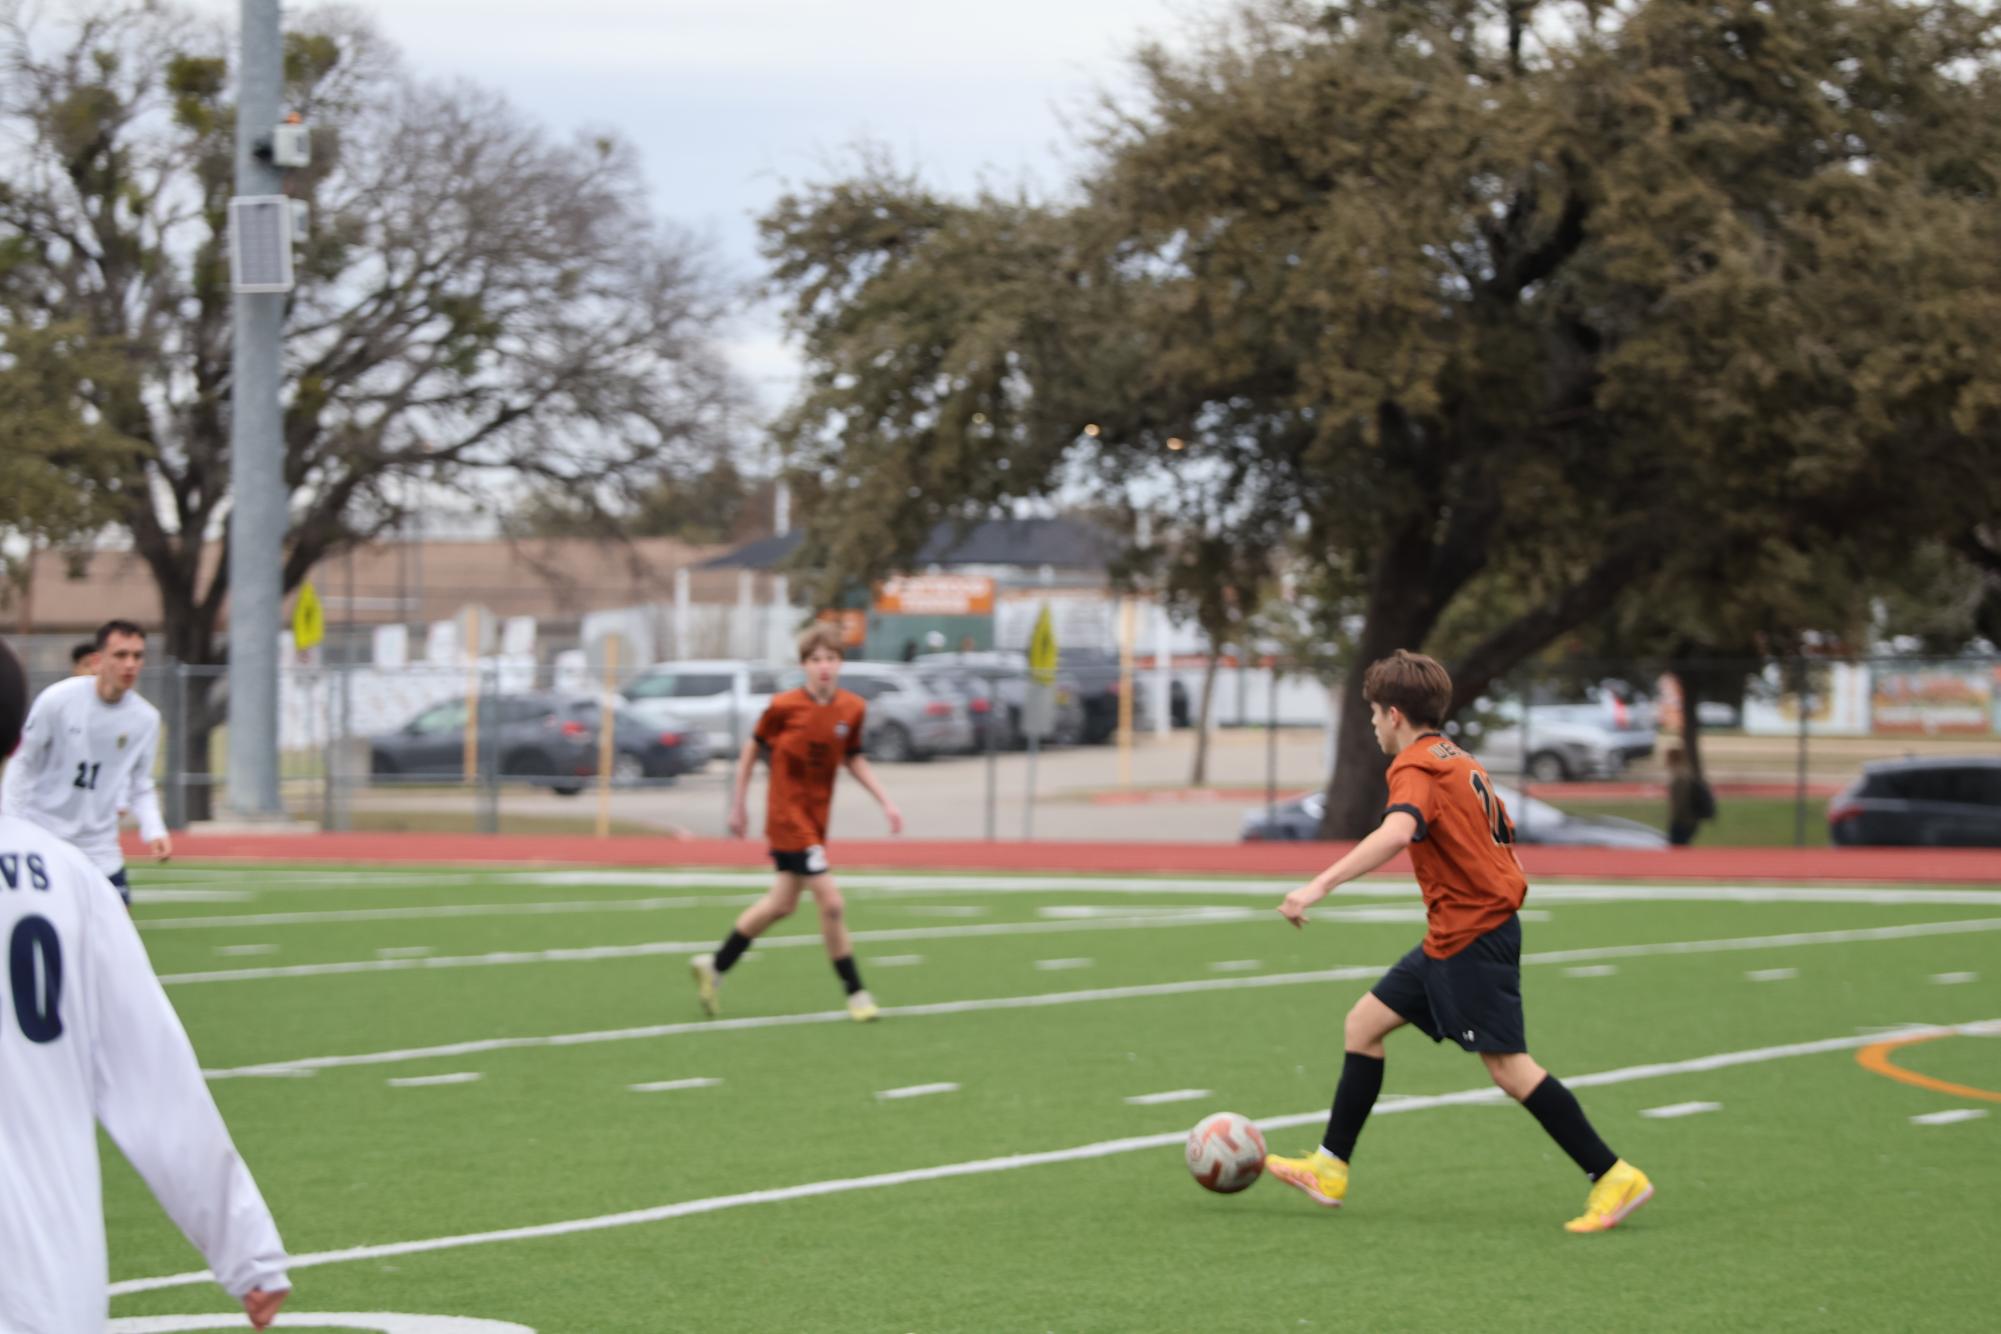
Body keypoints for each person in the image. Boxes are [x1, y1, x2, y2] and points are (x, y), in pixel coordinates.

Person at [1264, 650, 1653, 1233]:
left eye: (1373, 713)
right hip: (1453, 934)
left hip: (1474, 935)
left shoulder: (1416, 767)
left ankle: (1613, 1175)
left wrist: (1318, 885)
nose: (1371, 724)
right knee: (1363, 1026)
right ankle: (1329, 1167)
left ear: (1394, 715)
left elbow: (1397, 831)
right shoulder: (1457, 758)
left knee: (1510, 1069)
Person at [0, 637, 290, 1331]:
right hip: (45, 1278)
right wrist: (244, 1247)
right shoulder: (70, 884)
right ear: (16, 741)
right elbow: (153, 1078)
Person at [693, 625, 904, 1021]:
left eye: (831, 658)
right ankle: (856, 993)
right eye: (815, 659)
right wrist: (738, 805)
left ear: (841, 662)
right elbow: (751, 749)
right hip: (787, 819)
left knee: (782, 904)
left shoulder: (852, 708)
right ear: (803, 665)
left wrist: (886, 802)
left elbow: (852, 757)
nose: (824, 666)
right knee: (832, 901)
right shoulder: (783, 706)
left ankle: (715, 967)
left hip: (816, 819)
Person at [0, 620, 171, 906]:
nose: (130, 664)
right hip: (46, 839)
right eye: (120, 655)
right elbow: (23, 764)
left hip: (100, 850)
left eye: (137, 656)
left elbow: (141, 785)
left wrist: (155, 830)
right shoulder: (57, 700)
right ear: (97, 660)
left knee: (117, 939)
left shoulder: (146, 719)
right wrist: (10, 825)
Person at [1664, 744, 1713, 846]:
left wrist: (1673, 820)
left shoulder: (1679, 777)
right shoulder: (1686, 773)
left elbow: (1679, 803)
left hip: (1683, 822)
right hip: (1690, 821)